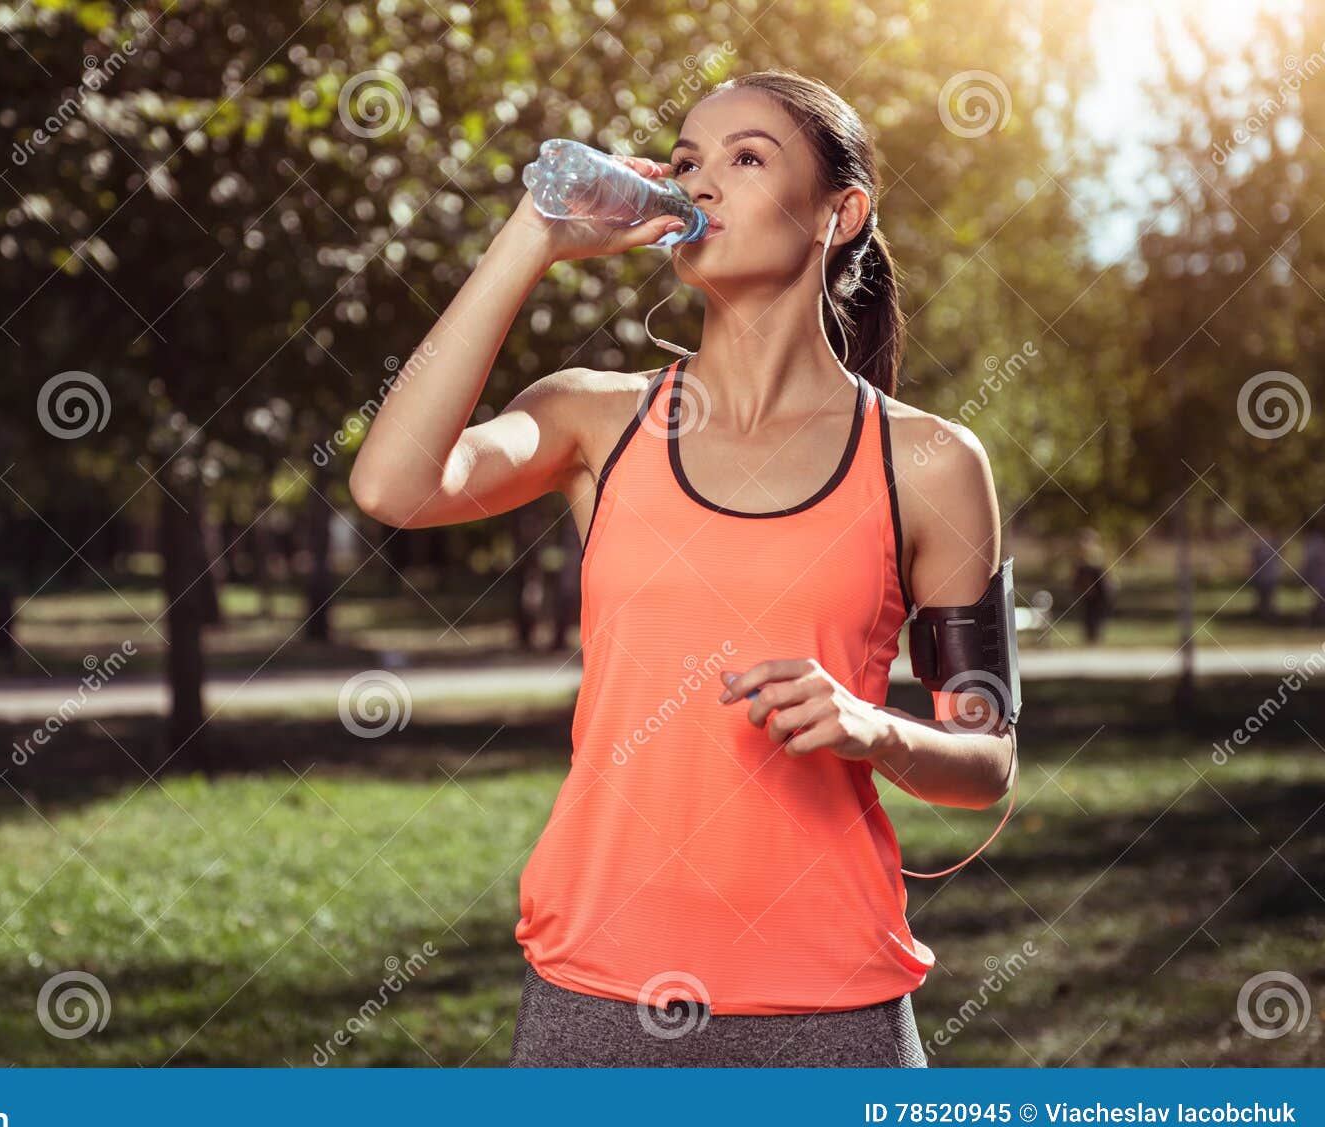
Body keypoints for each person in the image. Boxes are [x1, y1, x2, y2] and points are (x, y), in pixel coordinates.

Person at [350, 68, 1016, 1067]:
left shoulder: (930, 464)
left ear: (841, 214)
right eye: (689, 159)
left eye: (747, 158)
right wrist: (532, 235)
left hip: (832, 1009)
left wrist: (871, 728)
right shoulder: (591, 419)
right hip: (597, 995)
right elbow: (391, 487)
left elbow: (987, 764)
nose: (701, 183)